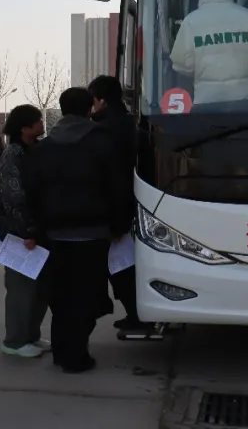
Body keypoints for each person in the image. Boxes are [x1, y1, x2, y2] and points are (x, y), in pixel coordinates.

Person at [25, 87, 127, 373]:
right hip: (93, 232)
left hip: (55, 234)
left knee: (61, 296)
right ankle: (76, 355)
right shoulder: (102, 142)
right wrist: (119, 224)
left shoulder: (44, 148)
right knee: (87, 296)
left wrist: (38, 228)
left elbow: (32, 191)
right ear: (90, 108)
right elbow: (117, 186)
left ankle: (61, 351)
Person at [87, 75, 148, 335]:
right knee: (121, 264)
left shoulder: (105, 130)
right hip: (127, 205)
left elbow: (112, 178)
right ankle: (135, 312)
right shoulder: (128, 123)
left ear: (101, 100)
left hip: (114, 212)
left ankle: (136, 314)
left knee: (120, 266)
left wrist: (116, 221)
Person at [0, 104, 49, 358]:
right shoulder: (12, 155)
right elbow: (13, 196)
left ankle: (31, 335)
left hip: (38, 230)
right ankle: (15, 341)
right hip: (19, 233)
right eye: (37, 121)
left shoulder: (36, 150)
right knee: (21, 289)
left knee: (39, 289)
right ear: (24, 128)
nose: (42, 124)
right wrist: (26, 230)